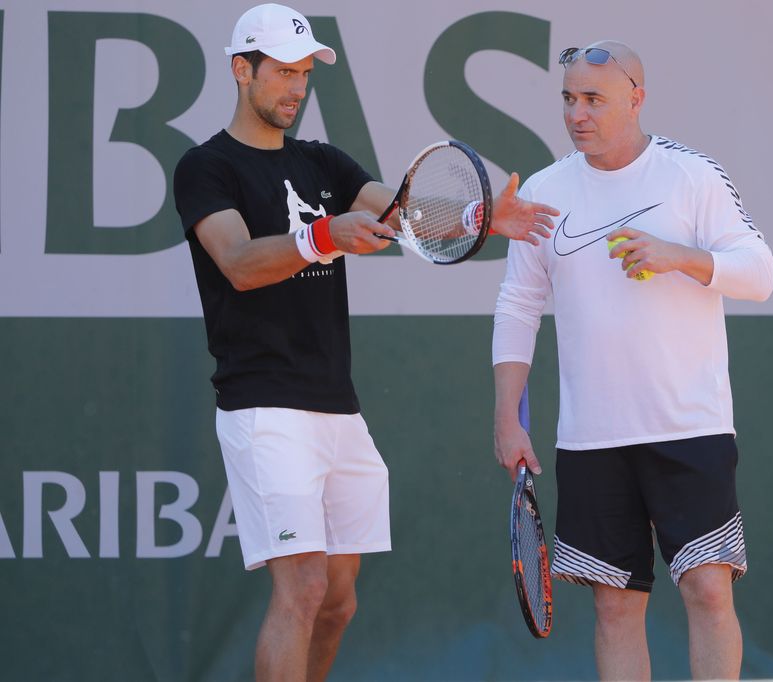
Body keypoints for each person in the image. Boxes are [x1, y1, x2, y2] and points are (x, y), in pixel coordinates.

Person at [172, 4, 558, 680]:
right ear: (242, 70)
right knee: (302, 591)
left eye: (304, 74)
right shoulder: (206, 168)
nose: (296, 87)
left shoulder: (323, 161)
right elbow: (236, 261)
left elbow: (404, 213)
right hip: (263, 405)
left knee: (338, 602)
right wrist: (325, 235)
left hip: (337, 407)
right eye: (282, 72)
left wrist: (485, 217)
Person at [492, 41, 773, 681]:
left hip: (690, 429)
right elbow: (518, 304)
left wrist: (680, 256)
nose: (577, 114)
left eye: (594, 99)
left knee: (708, 591)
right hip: (592, 440)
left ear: (636, 99)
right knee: (616, 610)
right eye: (568, 98)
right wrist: (507, 415)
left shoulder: (692, 176)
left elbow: (760, 273)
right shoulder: (544, 190)